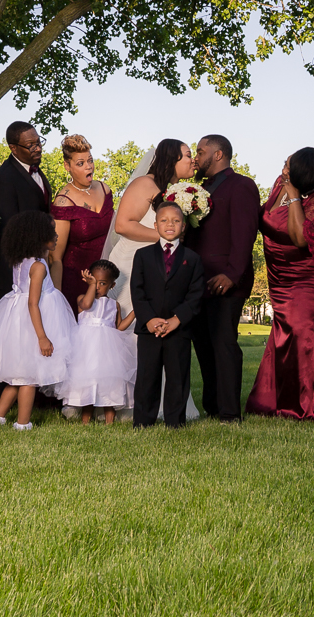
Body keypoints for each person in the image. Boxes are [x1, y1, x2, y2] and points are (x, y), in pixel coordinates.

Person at [99, 138, 201, 421]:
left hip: (164, 267)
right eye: (187, 155)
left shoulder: (177, 193)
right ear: (171, 158)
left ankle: (163, 405)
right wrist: (164, 237)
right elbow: (122, 225)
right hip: (132, 264)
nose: (192, 160)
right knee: (129, 333)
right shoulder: (145, 184)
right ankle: (120, 404)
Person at [246, 147, 314, 421]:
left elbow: (300, 238)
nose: (283, 170)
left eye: (288, 167)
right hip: (278, 274)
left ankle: (306, 405)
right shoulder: (279, 184)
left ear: (302, 174)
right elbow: (265, 217)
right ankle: (270, 401)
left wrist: (295, 197)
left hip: (306, 275)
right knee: (282, 332)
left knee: (301, 334)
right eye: (285, 165)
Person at [0, 211, 77, 429]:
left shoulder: (22, 262)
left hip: (19, 323)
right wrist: (42, 337)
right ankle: (22, 423)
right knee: (29, 378)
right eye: (52, 232)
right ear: (38, 237)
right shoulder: (38, 266)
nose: (57, 236)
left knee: (17, 377)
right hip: (34, 325)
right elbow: (33, 303)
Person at [187, 134, 258, 422]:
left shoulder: (242, 185)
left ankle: (230, 412)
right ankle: (212, 405)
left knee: (224, 343)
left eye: (201, 151)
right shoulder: (194, 190)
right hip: (195, 280)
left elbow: (245, 235)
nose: (196, 157)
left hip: (226, 280)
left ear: (218, 155)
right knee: (202, 344)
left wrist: (232, 274)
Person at [131, 202, 204, 428]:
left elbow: (196, 294)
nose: (169, 224)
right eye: (164, 220)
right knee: (147, 376)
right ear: (155, 225)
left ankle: (175, 422)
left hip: (178, 329)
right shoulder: (142, 255)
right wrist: (150, 319)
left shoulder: (192, 258)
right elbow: (137, 290)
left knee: (177, 376)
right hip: (148, 328)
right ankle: (143, 422)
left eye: (175, 220)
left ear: (183, 226)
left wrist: (176, 319)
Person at [60, 260, 136, 424]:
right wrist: (91, 285)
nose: (97, 287)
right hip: (86, 350)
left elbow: (119, 326)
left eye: (102, 283)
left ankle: (110, 421)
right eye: (94, 281)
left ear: (112, 285)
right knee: (88, 383)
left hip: (107, 351)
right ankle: (85, 421)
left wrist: (135, 311)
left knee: (108, 384)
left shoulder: (113, 304)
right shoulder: (83, 299)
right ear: (88, 280)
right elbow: (87, 305)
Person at [0, 121, 52, 308]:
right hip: (12, 272)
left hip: (38, 267)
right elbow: (7, 229)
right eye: (31, 145)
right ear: (13, 148)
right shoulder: (2, 179)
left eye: (39, 142)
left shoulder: (38, 172)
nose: (38, 149)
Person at [49, 134, 115, 314]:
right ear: (67, 166)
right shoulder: (64, 202)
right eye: (80, 163)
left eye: (90, 160)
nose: (89, 166)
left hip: (106, 277)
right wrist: (57, 298)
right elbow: (55, 258)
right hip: (76, 279)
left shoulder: (104, 188)